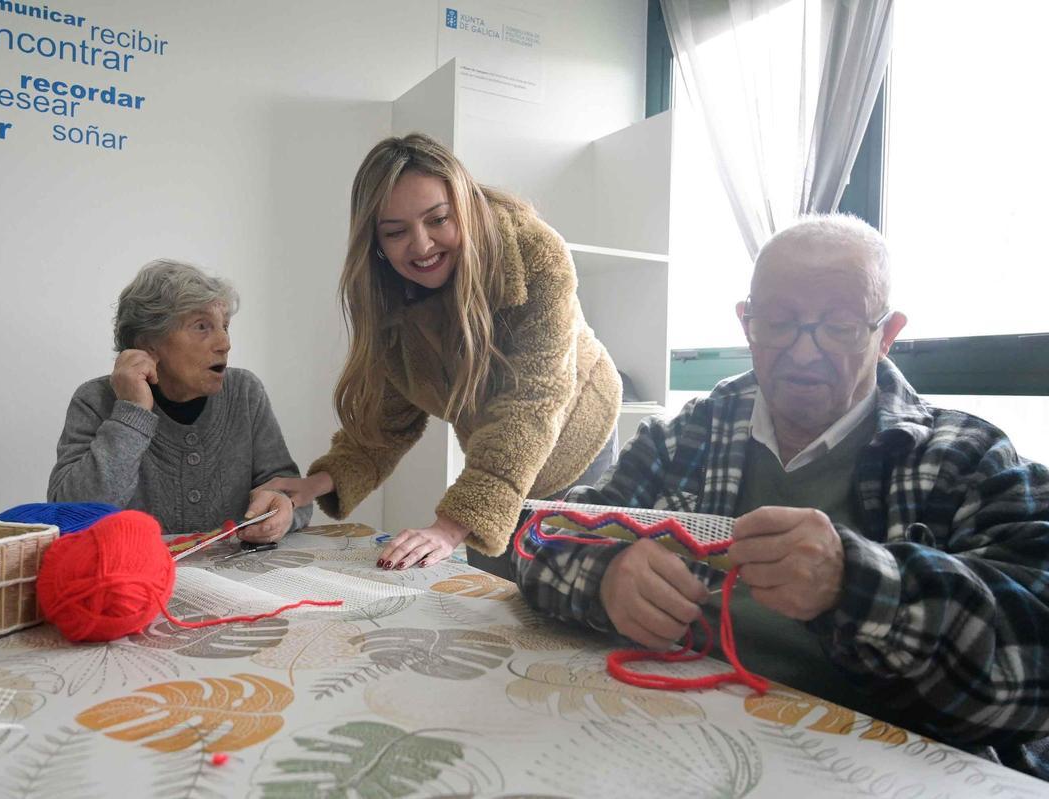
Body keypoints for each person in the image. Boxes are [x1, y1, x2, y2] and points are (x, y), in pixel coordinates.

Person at [514, 214, 1049, 778]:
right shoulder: (687, 437)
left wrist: (857, 584)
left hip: (869, 767)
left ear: (886, 333)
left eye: (839, 327)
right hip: (676, 737)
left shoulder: (965, 458)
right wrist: (606, 578)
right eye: (778, 321)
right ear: (748, 322)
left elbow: (1034, 665)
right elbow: (540, 536)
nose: (803, 352)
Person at [260, 133, 621, 574]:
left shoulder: (533, 252)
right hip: (495, 455)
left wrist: (449, 528)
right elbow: (385, 424)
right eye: (396, 232)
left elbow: (534, 399)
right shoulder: (388, 299)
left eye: (438, 220)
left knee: (569, 595)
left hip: (578, 442)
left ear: (464, 206)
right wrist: (313, 484)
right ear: (375, 243)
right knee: (496, 596)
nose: (422, 245)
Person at [48, 259, 311, 540]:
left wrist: (284, 506)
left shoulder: (244, 393)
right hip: (135, 580)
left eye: (225, 326)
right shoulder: (95, 401)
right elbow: (69, 516)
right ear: (149, 343)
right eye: (202, 326)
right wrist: (132, 414)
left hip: (234, 580)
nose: (225, 343)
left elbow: (292, 492)